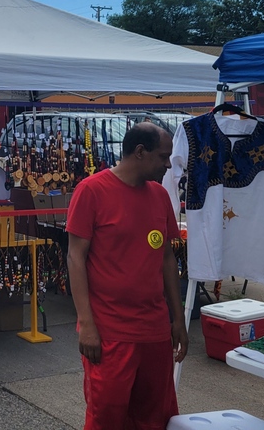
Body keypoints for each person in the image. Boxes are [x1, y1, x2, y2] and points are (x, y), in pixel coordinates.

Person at [66, 122, 187, 430]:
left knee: (155, 418)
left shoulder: (160, 195)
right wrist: (87, 324)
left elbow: (166, 258)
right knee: (107, 418)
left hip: (154, 331)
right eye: (163, 157)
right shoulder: (91, 191)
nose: (167, 165)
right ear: (140, 152)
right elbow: (75, 258)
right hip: (110, 332)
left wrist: (178, 319)